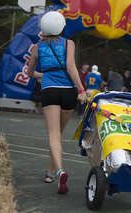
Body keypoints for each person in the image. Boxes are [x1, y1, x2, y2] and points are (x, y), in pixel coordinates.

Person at [27, 11, 87, 194]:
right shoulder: (69, 43)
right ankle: (50, 172)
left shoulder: (37, 47)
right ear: (61, 26)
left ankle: (58, 171)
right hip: (68, 92)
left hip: (49, 91)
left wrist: (43, 75)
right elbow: (70, 66)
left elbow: (30, 73)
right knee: (59, 133)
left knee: (53, 135)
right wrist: (82, 90)